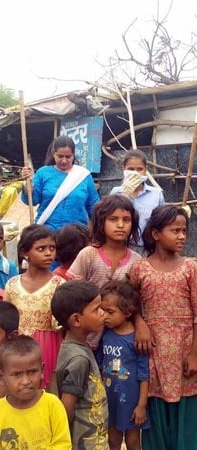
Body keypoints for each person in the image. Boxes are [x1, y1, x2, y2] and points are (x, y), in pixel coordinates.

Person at [128, 205, 197, 450]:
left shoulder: (191, 267)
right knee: (155, 407)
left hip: (183, 351)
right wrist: (140, 323)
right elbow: (129, 304)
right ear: (156, 234)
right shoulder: (139, 268)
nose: (181, 236)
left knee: (187, 411)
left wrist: (194, 354)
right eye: (175, 230)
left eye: (184, 231)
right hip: (153, 351)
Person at [68, 194, 151, 351]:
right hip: (87, 338)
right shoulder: (88, 255)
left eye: (126, 220)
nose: (120, 225)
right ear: (101, 222)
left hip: (120, 341)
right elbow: (73, 294)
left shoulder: (136, 260)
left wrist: (140, 323)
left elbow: (135, 301)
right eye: (113, 219)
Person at [0, 336, 72, 449]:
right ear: (1, 376)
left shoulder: (52, 404)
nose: (26, 381)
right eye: (17, 374)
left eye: (32, 372)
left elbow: (63, 445)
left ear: (42, 370)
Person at [3, 224, 64, 389]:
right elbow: (5, 318)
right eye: (41, 248)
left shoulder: (59, 285)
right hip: (18, 345)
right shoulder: (13, 284)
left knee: (46, 390)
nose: (48, 253)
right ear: (25, 253)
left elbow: (63, 322)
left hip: (49, 346)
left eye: (52, 248)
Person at [51, 280, 109, 449]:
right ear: (76, 320)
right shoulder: (79, 359)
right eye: (97, 309)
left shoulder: (75, 347)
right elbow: (66, 409)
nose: (103, 314)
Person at [97, 280, 149, 450]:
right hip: (109, 399)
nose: (104, 316)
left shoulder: (137, 340)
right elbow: (99, 366)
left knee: (133, 441)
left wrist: (141, 406)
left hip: (131, 402)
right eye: (102, 310)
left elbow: (144, 375)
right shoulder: (105, 335)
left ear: (127, 312)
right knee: (113, 440)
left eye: (110, 312)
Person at [20, 135, 100, 232]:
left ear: (74, 155)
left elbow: (94, 207)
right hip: (48, 233)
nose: (64, 160)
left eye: (68, 157)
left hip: (77, 234)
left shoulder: (84, 175)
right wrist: (27, 185)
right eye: (60, 156)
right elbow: (32, 200)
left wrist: (99, 229)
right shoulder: (43, 173)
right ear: (53, 154)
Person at [109, 149, 165, 251]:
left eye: (139, 169)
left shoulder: (156, 195)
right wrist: (125, 195)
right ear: (123, 169)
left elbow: (163, 224)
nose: (135, 173)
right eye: (131, 169)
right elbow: (109, 219)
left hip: (148, 248)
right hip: (121, 247)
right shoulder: (116, 193)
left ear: (145, 170)